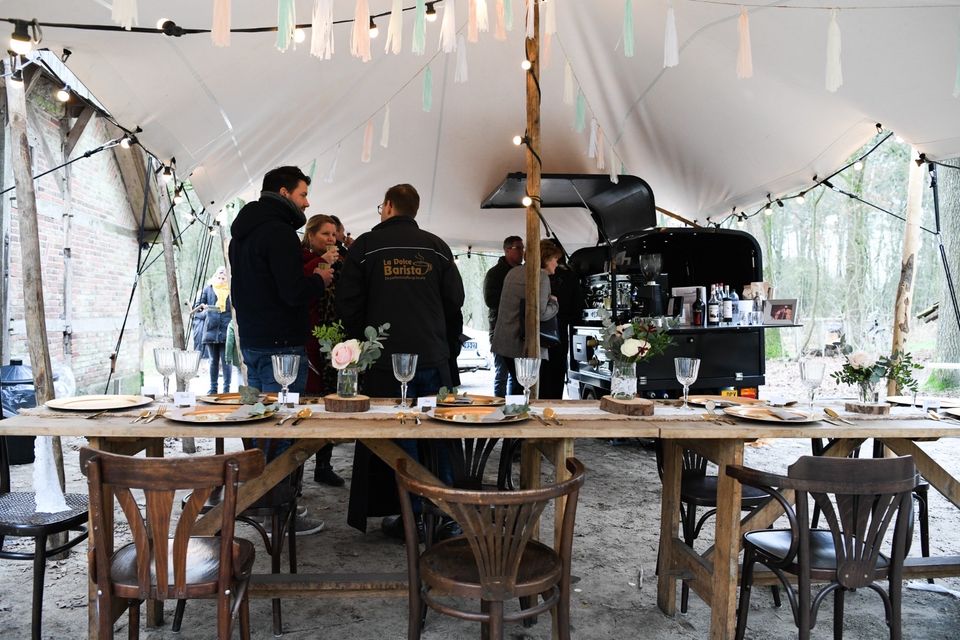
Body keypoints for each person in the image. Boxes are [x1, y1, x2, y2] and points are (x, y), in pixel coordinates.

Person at [336, 183, 465, 536]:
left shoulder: (365, 246)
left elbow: (348, 304)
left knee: (398, 436)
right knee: (440, 434)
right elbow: (455, 300)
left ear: (389, 206)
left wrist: (363, 345)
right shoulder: (437, 247)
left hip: (384, 362)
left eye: (381, 206)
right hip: (433, 359)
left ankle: (412, 516)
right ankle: (447, 514)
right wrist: (444, 345)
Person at [229, 165, 334, 535]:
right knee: (284, 428)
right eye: (303, 194)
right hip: (283, 346)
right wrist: (319, 280)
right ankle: (278, 511)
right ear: (285, 193)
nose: (308, 202)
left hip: (254, 342)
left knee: (261, 426)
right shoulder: (280, 233)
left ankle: (259, 503)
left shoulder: (241, 233)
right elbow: (292, 292)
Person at [301, 214, 346, 487]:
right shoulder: (301, 259)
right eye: (325, 234)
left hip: (333, 339)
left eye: (333, 234)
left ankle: (323, 465)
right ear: (310, 235)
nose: (331, 239)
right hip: (308, 338)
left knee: (329, 398)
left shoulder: (340, 262)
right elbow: (299, 290)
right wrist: (321, 263)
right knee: (306, 401)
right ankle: (294, 471)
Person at [491, 239, 561, 384]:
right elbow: (540, 314)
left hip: (504, 342)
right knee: (528, 387)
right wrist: (554, 303)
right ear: (546, 259)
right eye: (555, 259)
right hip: (523, 346)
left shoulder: (513, 272)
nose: (557, 263)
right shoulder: (541, 277)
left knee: (517, 386)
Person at [483, 236, 524, 397]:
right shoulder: (495, 274)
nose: (522, 251)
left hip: (519, 330)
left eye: (522, 248)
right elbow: (490, 300)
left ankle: (515, 406)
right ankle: (498, 406)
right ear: (507, 250)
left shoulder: (523, 272)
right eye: (518, 248)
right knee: (502, 372)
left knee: (518, 375)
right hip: (500, 329)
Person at [539, 242, 582, 399]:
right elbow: (577, 308)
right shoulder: (569, 275)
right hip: (560, 330)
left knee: (540, 375)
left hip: (539, 331)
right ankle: (555, 406)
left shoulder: (534, 275)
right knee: (556, 375)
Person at [194, 267, 233, 394]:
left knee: (226, 361)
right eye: (219, 276)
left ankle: (226, 390)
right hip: (211, 330)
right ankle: (213, 389)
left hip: (226, 331)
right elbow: (197, 309)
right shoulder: (208, 289)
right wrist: (206, 311)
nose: (221, 278)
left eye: (224, 276)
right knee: (213, 361)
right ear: (215, 276)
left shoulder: (231, 290)